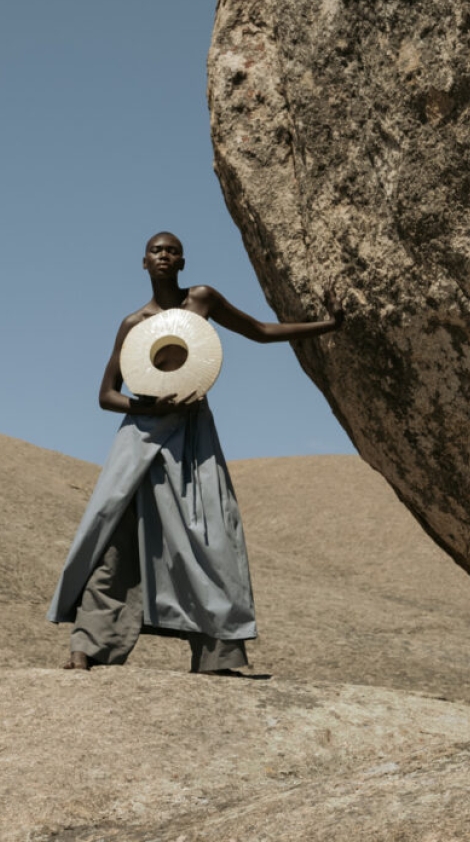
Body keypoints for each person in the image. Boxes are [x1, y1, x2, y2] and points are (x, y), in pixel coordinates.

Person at [47, 231, 344, 674]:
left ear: (182, 262)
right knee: (113, 537)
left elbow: (261, 331)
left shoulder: (202, 299)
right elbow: (106, 395)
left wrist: (328, 325)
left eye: (172, 251)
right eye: (156, 251)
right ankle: (87, 648)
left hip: (191, 434)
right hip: (140, 439)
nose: (164, 256)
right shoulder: (134, 323)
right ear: (144, 262)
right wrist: (145, 407)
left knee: (210, 539)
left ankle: (218, 656)